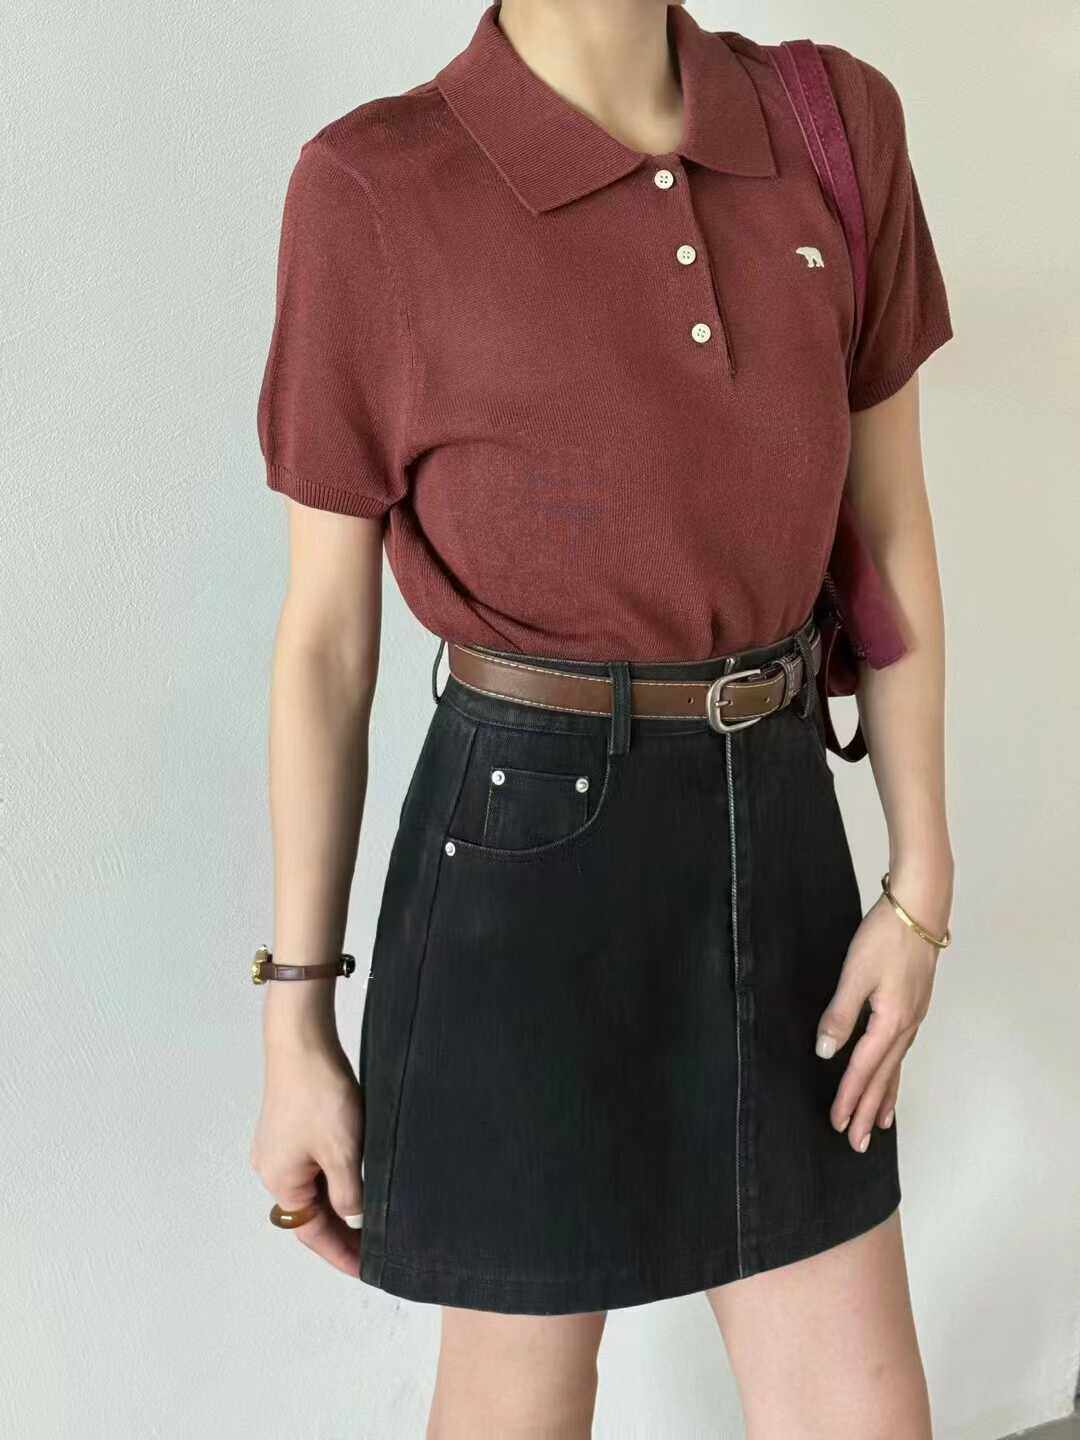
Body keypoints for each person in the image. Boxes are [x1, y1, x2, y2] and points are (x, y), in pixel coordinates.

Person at [249, 2, 955, 1434]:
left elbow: (890, 531)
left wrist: (921, 881)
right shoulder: (371, 186)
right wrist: (296, 1019)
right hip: (517, 856)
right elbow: (325, 646)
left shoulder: (832, 124)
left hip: (779, 830)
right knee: (518, 1399)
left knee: (861, 1408)